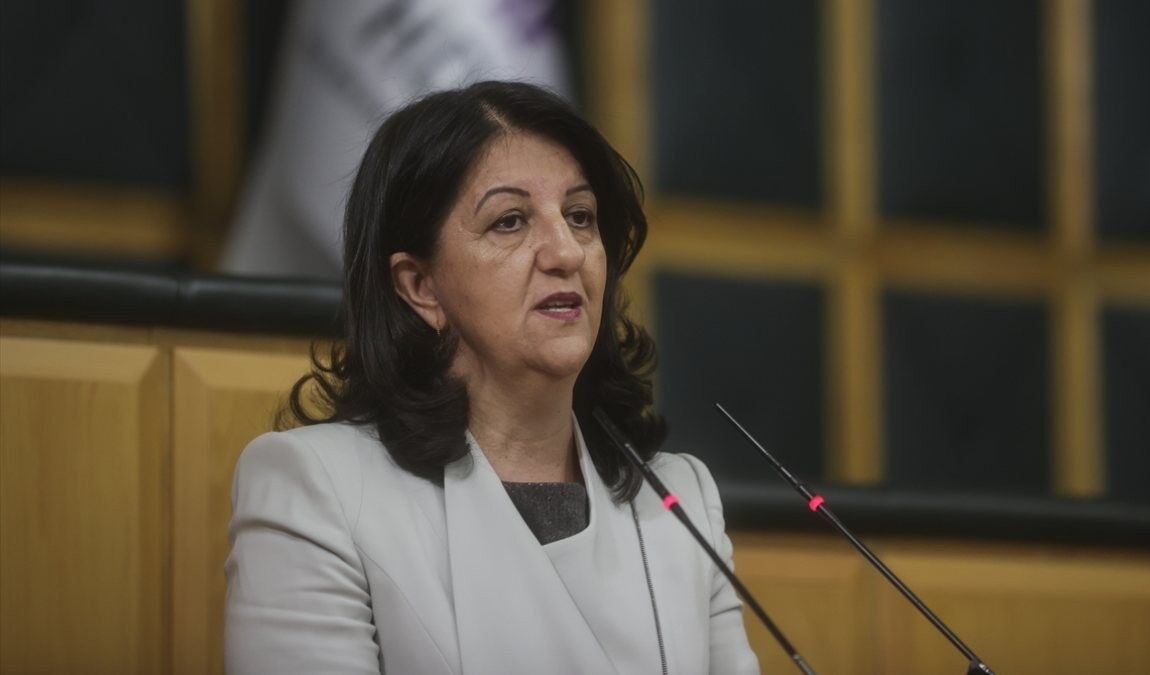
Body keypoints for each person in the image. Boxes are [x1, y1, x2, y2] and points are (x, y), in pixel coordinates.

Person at [224, 81, 760, 674]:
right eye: (510, 222)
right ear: (420, 287)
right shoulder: (319, 488)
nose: (566, 252)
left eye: (580, 216)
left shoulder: (679, 497)